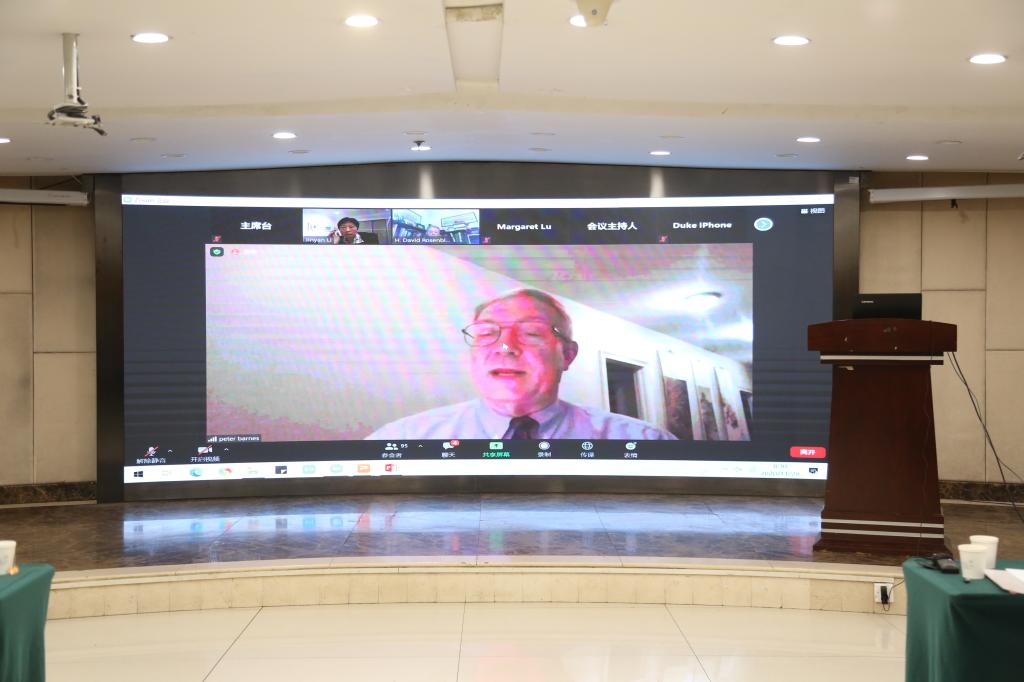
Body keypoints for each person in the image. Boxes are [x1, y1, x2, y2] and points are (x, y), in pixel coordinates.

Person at [366, 289, 677, 440]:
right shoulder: (400, 438)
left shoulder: (644, 441)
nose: (505, 347)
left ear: (567, 355)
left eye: (531, 333)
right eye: (486, 333)